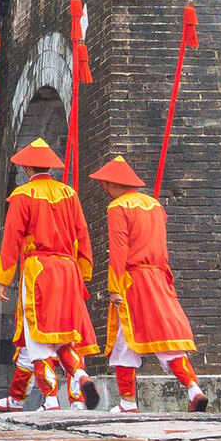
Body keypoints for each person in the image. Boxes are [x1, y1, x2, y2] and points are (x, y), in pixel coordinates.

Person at [0, 138, 101, 413]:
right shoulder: (69, 194)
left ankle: (50, 401)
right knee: (63, 337)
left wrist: (3, 279)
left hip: (39, 270)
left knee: (38, 341)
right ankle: (79, 376)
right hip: (68, 270)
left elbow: (12, 239)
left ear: (27, 167)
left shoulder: (23, 195)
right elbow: (83, 235)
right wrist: (84, 272)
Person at [90, 156, 207, 413]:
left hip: (133, 281)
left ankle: (128, 402)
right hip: (159, 277)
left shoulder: (117, 207)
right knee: (168, 340)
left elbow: (118, 250)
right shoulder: (155, 205)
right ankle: (193, 389)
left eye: (105, 184)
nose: (104, 189)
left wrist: (114, 287)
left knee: (123, 342)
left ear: (113, 184)